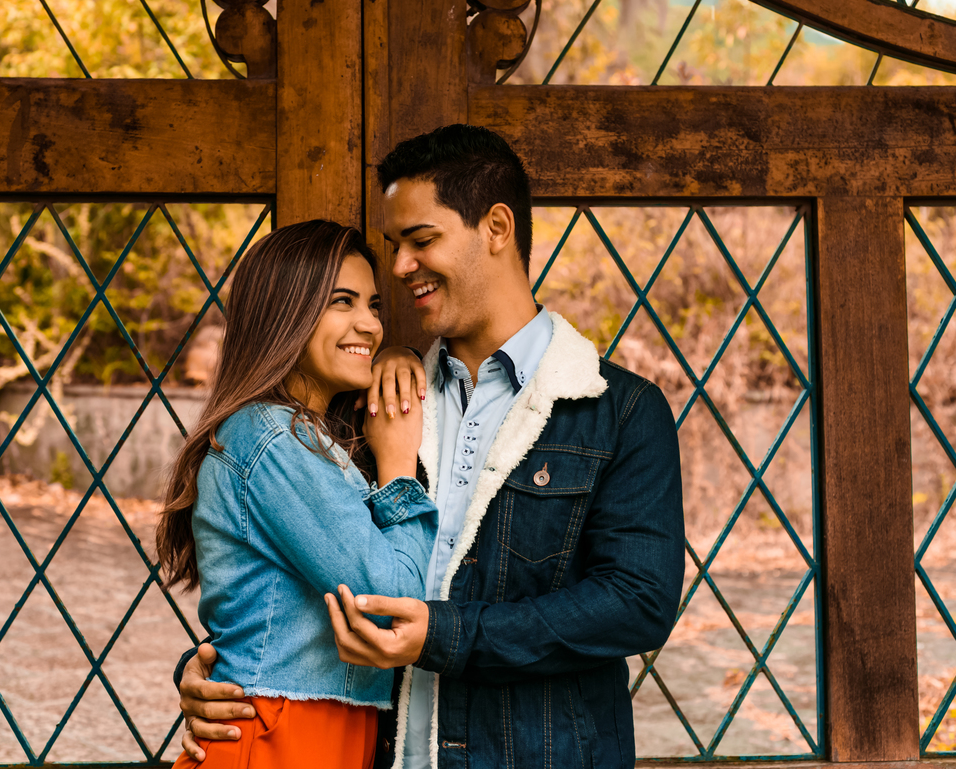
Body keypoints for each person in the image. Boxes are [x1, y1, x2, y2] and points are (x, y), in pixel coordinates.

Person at [175, 126, 685, 768]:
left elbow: (637, 604)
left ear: (496, 228)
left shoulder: (619, 410)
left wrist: (444, 636)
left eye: (421, 240)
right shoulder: (362, 409)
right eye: (396, 247)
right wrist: (210, 673)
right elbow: (285, 584)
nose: (399, 268)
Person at [156, 220, 438, 769]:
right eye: (342, 301)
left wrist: (398, 356)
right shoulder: (271, 439)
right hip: (276, 737)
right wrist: (399, 465)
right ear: (285, 314)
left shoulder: (310, 437)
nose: (370, 324)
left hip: (312, 734)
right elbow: (391, 602)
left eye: (374, 305)